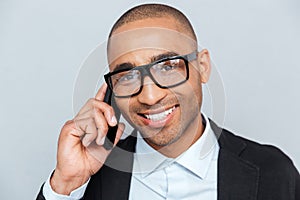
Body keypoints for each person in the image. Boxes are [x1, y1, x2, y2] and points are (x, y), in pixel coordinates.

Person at [36, 3, 299, 200]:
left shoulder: (272, 173)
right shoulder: (92, 177)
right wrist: (64, 184)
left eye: (168, 66)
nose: (150, 97)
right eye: (127, 76)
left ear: (203, 67)